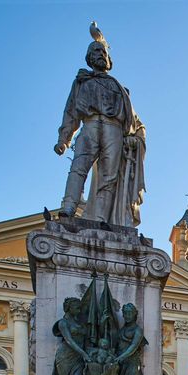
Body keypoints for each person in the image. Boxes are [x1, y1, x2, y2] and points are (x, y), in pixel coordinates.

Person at [55, 26, 146, 227]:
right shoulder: (82, 82)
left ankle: (101, 219)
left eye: (104, 52)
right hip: (90, 125)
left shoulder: (119, 88)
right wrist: (64, 139)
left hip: (114, 129)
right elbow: (70, 112)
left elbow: (135, 121)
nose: (101, 55)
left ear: (109, 61)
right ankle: (68, 207)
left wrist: (136, 137)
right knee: (79, 166)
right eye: (96, 51)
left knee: (109, 176)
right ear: (89, 57)